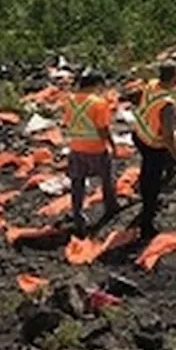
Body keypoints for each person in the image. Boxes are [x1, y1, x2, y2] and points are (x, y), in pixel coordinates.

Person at [131, 63, 176, 239]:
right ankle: (147, 222)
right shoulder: (168, 105)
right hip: (153, 143)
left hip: (139, 133)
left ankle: (145, 195)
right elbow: (168, 135)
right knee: (152, 180)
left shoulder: (152, 85)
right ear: (174, 78)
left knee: (147, 170)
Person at [64, 70, 117, 237]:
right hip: (96, 148)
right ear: (97, 85)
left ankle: (78, 214)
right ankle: (110, 207)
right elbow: (103, 128)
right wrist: (112, 145)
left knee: (77, 183)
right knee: (107, 179)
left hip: (76, 148)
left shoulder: (70, 100)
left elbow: (68, 122)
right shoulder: (99, 103)